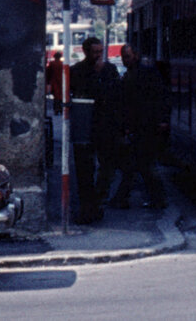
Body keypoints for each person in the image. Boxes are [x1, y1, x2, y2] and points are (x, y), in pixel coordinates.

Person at [109, 43, 170, 210]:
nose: (124, 60)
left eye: (127, 56)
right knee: (139, 165)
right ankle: (129, 197)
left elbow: (158, 97)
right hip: (140, 126)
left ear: (135, 55)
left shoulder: (144, 73)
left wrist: (161, 119)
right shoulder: (133, 73)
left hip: (146, 126)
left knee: (142, 165)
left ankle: (131, 198)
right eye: (123, 57)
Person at [68, 36, 120, 224]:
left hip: (106, 127)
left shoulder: (110, 70)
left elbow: (115, 94)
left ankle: (97, 201)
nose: (98, 56)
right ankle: (87, 207)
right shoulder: (77, 71)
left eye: (100, 52)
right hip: (86, 127)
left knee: (108, 168)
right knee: (84, 170)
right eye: (95, 52)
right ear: (86, 51)